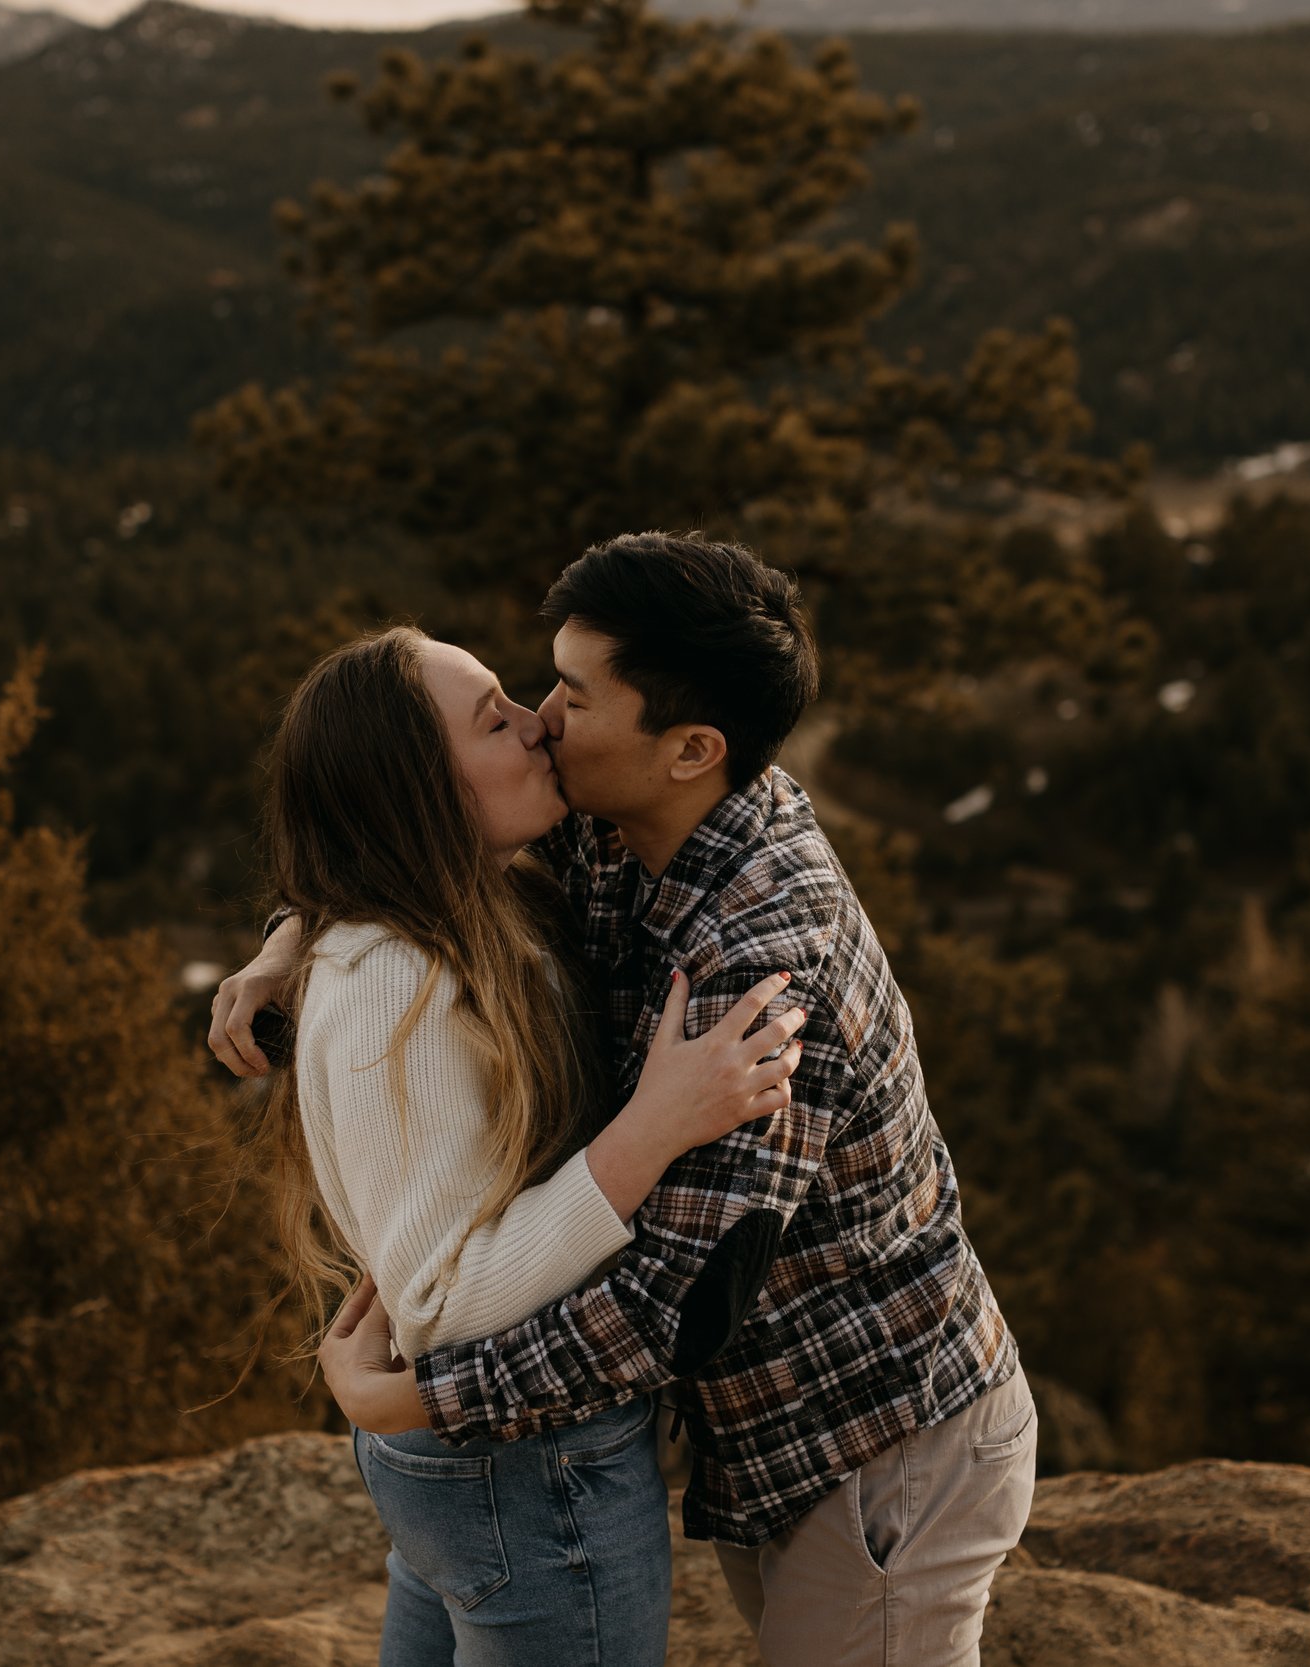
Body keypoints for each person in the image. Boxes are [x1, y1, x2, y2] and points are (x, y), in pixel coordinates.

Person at [213, 534, 1037, 1667]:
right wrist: (293, 935)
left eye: (572, 695)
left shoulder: (753, 982)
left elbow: (667, 1305)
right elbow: (420, 830)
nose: (543, 716)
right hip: (774, 1421)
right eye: (533, 688)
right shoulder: (633, 817)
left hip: (875, 1440)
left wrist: (421, 1401)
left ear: (691, 747)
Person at [231, 624, 811, 1667]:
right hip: (526, 1465)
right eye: (493, 717)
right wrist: (654, 1126)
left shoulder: (478, 902)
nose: (536, 723)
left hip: (489, 1455)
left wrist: (289, 934)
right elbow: (448, 1304)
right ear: (418, 789)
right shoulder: (391, 980)